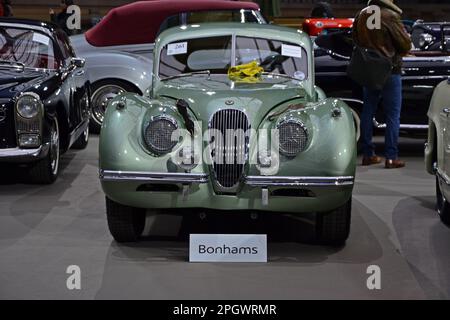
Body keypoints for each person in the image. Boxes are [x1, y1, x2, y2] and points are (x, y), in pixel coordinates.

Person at [353, 0, 411, 169]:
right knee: (393, 115)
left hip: (369, 69)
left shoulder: (362, 14)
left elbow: (354, 39)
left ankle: (368, 155)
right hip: (390, 69)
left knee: (367, 111)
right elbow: (404, 43)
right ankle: (391, 157)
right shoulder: (390, 15)